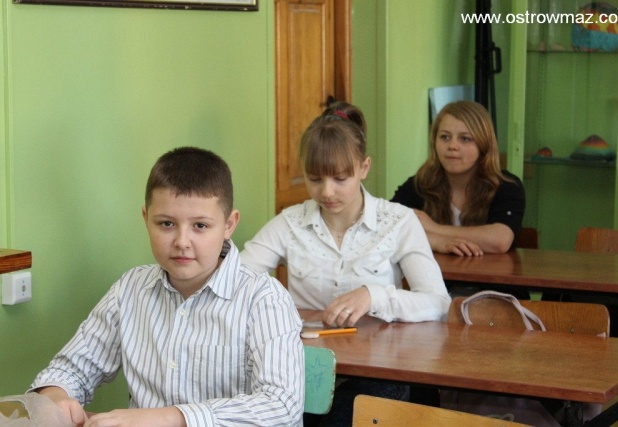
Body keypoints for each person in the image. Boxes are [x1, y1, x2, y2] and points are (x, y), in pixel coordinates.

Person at [30, 147, 304, 427]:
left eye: (200, 226)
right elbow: (72, 369)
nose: (182, 242)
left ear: (228, 224)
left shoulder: (264, 298)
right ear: (146, 218)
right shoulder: (130, 290)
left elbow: (281, 406)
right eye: (166, 224)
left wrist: (171, 417)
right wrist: (56, 394)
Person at [241, 102, 450, 426]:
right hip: (302, 368)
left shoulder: (397, 221)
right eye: (315, 179)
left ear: (364, 167)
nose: (327, 192)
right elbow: (237, 280)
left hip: (377, 372)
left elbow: (438, 303)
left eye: (340, 178)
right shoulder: (290, 222)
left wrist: (373, 296)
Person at [391, 100, 525, 258]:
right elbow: (384, 230)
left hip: (490, 274)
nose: (452, 146)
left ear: (483, 144)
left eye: (465, 139)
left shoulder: (506, 185)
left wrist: (433, 228)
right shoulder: (419, 184)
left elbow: (500, 240)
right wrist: (436, 241)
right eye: (445, 137)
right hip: (434, 273)